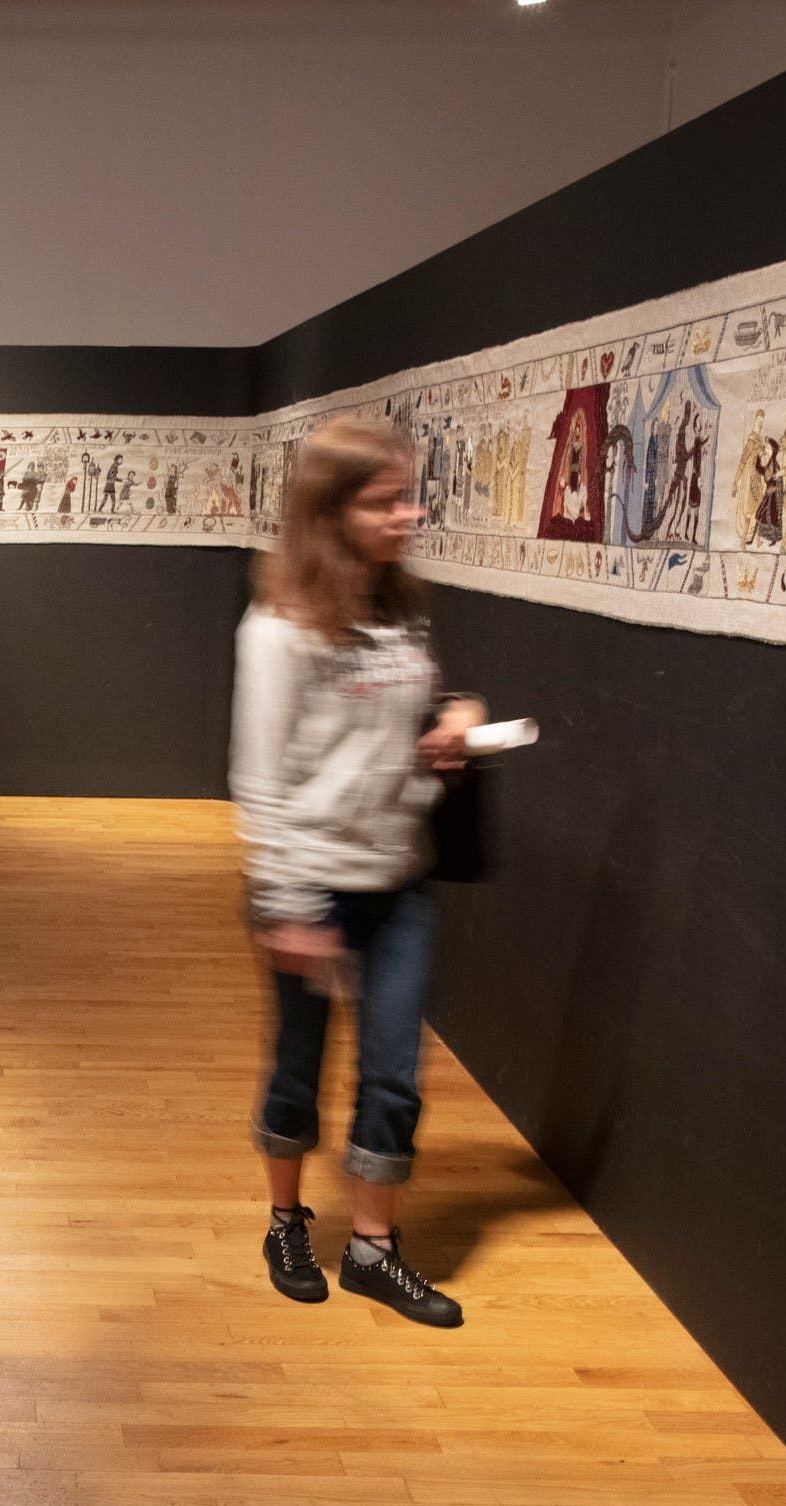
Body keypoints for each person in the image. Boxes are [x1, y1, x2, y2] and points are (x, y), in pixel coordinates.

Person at [229, 419, 484, 1327]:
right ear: (331, 510)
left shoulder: (401, 608)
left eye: (410, 497)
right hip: (311, 882)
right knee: (298, 1067)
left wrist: (455, 721)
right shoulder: (279, 626)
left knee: (394, 1073)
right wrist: (289, 905)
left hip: (399, 878)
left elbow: (401, 723)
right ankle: (285, 1223)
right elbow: (261, 778)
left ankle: (373, 1249)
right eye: (387, 501)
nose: (408, 515)